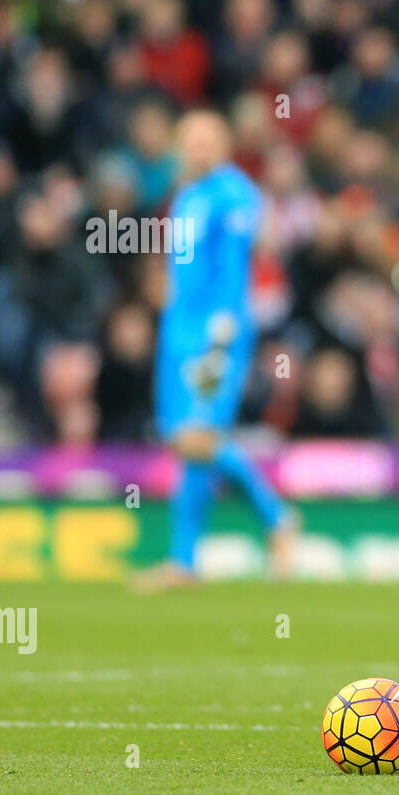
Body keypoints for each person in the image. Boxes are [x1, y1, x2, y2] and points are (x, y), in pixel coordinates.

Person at [133, 110, 296, 591]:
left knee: (198, 437)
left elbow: (256, 247)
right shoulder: (185, 196)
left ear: (223, 145)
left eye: (208, 140)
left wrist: (223, 325)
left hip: (216, 332)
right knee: (185, 445)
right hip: (177, 332)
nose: (199, 149)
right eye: (191, 140)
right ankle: (183, 562)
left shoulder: (233, 192)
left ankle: (277, 517)